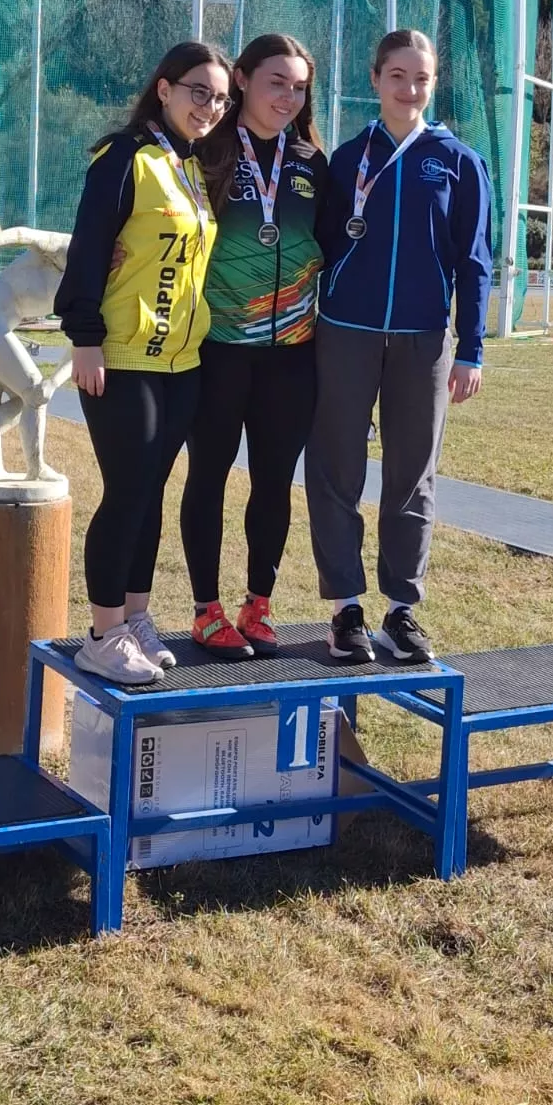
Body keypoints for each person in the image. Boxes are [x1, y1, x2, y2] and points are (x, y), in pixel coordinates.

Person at [305, 28, 492, 665]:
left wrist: (471, 347)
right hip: (345, 333)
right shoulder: (346, 158)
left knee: (414, 475)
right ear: (375, 79)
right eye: (397, 76)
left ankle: (401, 609)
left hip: (422, 340)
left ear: (432, 84)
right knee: (336, 469)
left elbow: (474, 262)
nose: (409, 89)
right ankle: (345, 610)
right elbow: (322, 246)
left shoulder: (459, 162)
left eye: (421, 78)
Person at [55, 41, 231, 685]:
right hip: (123, 357)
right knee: (127, 493)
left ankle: (134, 617)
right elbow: (90, 247)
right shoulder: (124, 159)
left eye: (219, 98)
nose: (209, 107)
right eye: (198, 92)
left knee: (149, 497)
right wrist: (85, 336)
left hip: (180, 364)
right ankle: (102, 635)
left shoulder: (188, 166)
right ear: (164, 89)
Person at [179, 33, 329, 660]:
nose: (288, 97)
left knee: (274, 483)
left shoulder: (312, 162)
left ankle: (259, 605)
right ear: (240, 79)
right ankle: (207, 609)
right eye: (276, 82)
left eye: (298, 87)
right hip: (219, 349)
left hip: (293, 354)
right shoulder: (204, 153)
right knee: (208, 476)